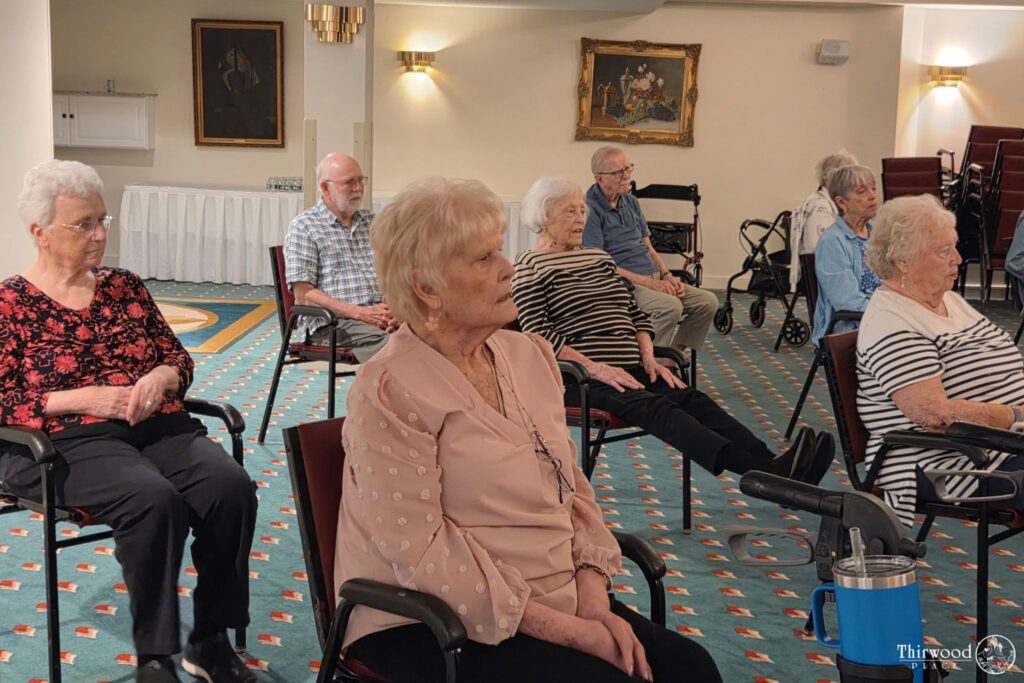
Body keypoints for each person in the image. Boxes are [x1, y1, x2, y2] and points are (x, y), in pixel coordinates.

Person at [335, 177, 723, 683]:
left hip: (552, 594)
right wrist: (574, 633)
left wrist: (592, 597)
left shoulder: (529, 355)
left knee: (691, 669)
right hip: (427, 618)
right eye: (483, 259)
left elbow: (571, 489)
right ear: (427, 287)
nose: (508, 269)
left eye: (500, 251)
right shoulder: (388, 387)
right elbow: (420, 553)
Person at [0, 161, 256, 683]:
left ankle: (210, 638)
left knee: (231, 486)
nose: (98, 236)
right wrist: (84, 396)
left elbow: (177, 358)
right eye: (83, 225)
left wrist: (160, 378)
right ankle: (155, 656)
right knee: (152, 499)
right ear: (39, 233)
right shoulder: (9, 303)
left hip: (158, 426)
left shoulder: (125, 286)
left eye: (102, 221)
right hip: (67, 441)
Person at [514, 176, 835, 487]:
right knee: (660, 408)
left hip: (630, 367)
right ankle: (769, 474)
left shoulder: (599, 258)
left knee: (693, 400)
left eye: (582, 209)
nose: (581, 218)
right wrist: (595, 368)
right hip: (579, 379)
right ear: (543, 218)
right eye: (569, 211)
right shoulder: (530, 267)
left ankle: (774, 466)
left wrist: (650, 359)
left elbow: (634, 312)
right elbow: (537, 335)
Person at [858, 194, 1024, 527]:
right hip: (949, 462)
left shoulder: (948, 300)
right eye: (943, 251)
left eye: (955, 247)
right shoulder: (892, 321)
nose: (959, 259)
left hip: (1003, 446)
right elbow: (934, 415)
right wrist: (1014, 415)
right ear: (902, 261)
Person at [583, 146, 719, 352]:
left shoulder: (631, 201)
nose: (626, 175)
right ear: (599, 178)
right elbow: (600, 263)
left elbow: (648, 247)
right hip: (624, 284)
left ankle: (671, 357)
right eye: (618, 172)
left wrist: (666, 275)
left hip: (653, 276)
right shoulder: (589, 210)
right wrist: (649, 283)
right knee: (670, 307)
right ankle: (645, 364)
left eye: (628, 168)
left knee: (707, 302)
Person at [284, 152, 394, 362]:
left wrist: (394, 309)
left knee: (436, 335)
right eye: (349, 182)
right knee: (401, 347)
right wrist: (360, 313)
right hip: (333, 324)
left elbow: (395, 272)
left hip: (379, 317)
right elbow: (305, 296)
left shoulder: (373, 223)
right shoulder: (305, 227)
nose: (359, 188)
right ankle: (379, 394)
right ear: (326, 188)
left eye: (361, 180)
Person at [812, 164, 883, 347]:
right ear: (842, 203)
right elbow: (847, 301)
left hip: (880, 315)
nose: (872, 196)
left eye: (873, 189)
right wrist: (891, 312)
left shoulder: (876, 232)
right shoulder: (832, 242)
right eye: (861, 191)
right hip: (851, 325)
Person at [789, 149, 859, 291]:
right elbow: (823, 252)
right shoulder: (820, 207)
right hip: (829, 276)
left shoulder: (835, 203)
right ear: (827, 179)